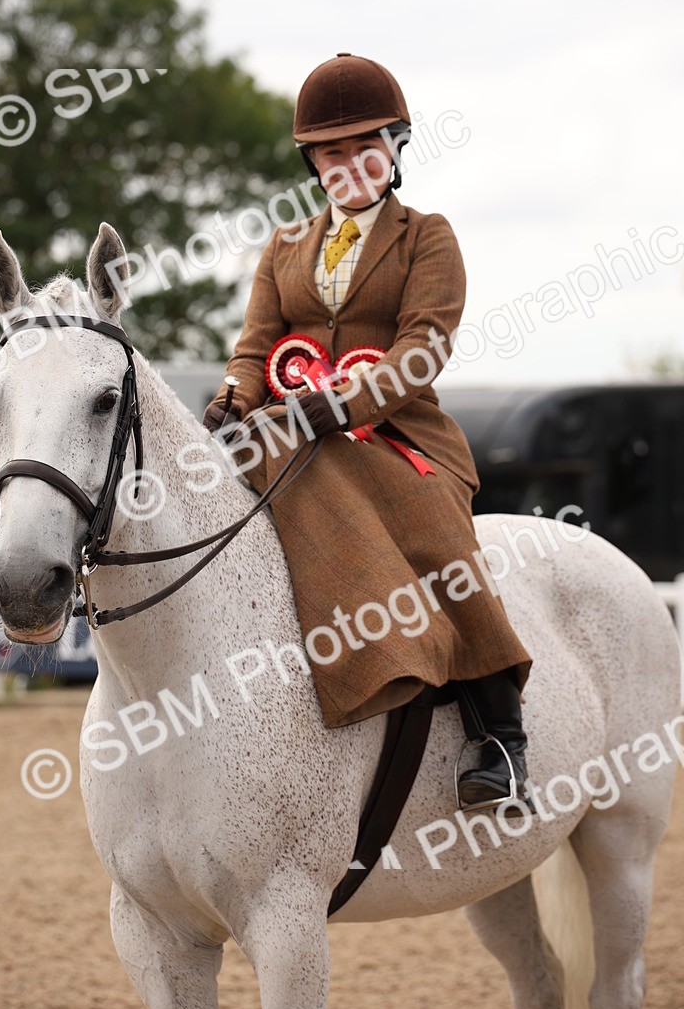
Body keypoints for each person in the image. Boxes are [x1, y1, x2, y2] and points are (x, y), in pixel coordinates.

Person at [204, 52, 532, 810]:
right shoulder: (284, 247)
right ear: (312, 161)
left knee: (434, 534)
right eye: (331, 152)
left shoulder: (428, 237)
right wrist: (231, 398)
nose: (349, 164)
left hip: (398, 435)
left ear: (396, 147)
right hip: (291, 429)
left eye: (364, 147)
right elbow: (256, 347)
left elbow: (425, 345)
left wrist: (348, 403)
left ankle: (501, 737)